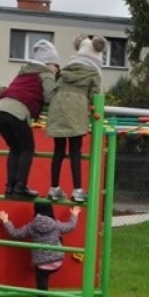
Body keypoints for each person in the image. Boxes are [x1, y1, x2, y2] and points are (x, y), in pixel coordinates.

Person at [0, 201, 81, 297]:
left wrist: (6, 220)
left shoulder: (32, 226)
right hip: (57, 262)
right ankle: (45, 256)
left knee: (42, 294)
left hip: (41, 265)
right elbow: (70, 227)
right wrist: (74, 214)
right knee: (58, 239)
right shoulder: (56, 224)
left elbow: (15, 234)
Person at [0, 39, 60, 199]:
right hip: (17, 112)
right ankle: (20, 187)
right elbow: (50, 97)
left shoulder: (24, 72)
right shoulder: (45, 73)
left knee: (15, 149)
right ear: (49, 63)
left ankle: (10, 188)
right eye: (56, 65)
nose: (57, 70)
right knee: (27, 149)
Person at [45, 34, 106, 204]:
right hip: (77, 108)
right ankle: (78, 190)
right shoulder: (93, 72)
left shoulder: (65, 71)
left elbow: (56, 88)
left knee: (58, 150)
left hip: (58, 106)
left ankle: (54, 188)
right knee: (75, 152)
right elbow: (95, 95)